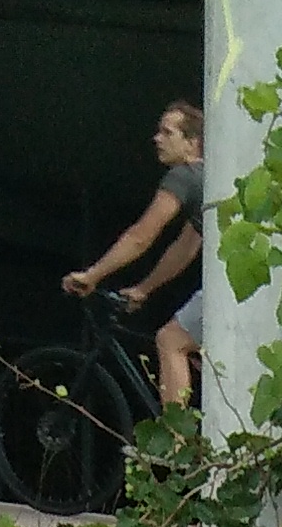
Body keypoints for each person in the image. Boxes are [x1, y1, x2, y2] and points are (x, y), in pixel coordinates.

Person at [64, 101, 204, 409]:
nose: (157, 138)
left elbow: (141, 237)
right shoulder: (207, 180)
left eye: (167, 132)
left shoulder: (184, 177)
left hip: (237, 289)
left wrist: (92, 275)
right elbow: (185, 248)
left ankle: (176, 448)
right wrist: (144, 289)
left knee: (171, 340)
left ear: (192, 143)